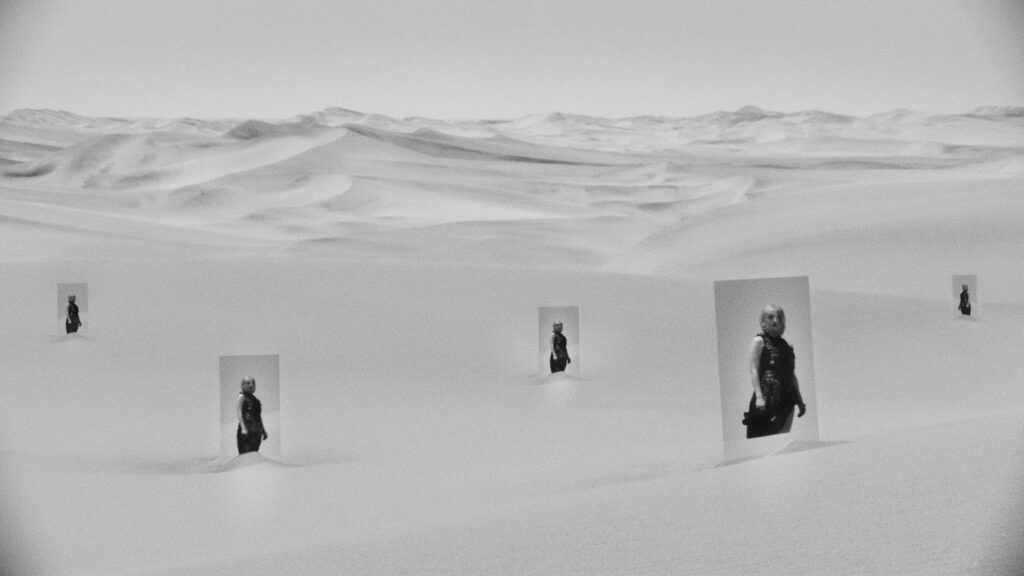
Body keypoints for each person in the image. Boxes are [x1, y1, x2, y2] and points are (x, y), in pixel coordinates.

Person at [743, 305, 806, 438]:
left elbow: (792, 374)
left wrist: (800, 400)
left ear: (783, 322)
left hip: (787, 402)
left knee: (781, 441)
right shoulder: (759, 341)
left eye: (779, 317)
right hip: (765, 402)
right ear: (763, 321)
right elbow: (753, 369)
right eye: (770, 317)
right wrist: (759, 397)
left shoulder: (788, 347)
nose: (775, 320)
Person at [236, 376, 267, 454]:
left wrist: (263, 431)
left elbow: (258, 416)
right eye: (248, 383)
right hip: (247, 429)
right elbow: (239, 412)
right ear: (243, 385)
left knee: (254, 453)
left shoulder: (256, 401)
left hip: (256, 431)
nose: (251, 385)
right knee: (246, 454)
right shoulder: (241, 397)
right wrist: (243, 428)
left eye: (253, 383)